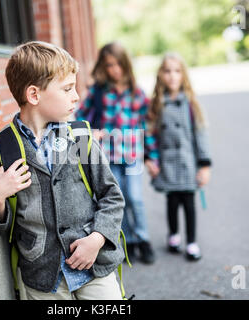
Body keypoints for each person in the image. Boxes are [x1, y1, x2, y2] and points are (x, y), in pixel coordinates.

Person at [0, 41, 126, 299]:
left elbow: (112, 196)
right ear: (34, 95)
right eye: (67, 89)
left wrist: (98, 238)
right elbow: (0, 227)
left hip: (93, 265)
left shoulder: (80, 137)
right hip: (42, 276)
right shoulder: (3, 150)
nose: (76, 96)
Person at [75, 42, 159, 264]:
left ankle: (143, 239)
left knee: (135, 198)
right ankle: (127, 239)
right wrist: (89, 132)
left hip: (133, 157)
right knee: (116, 199)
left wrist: (151, 157)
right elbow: (79, 117)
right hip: (109, 157)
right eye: (109, 65)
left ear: (126, 64)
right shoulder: (98, 91)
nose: (114, 70)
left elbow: (146, 126)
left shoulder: (137, 93)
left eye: (118, 64)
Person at [147, 52, 212, 261]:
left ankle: (192, 242)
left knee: (189, 202)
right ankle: (174, 235)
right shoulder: (157, 105)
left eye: (177, 71)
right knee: (172, 201)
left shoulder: (191, 104)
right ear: (160, 75)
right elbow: (150, 135)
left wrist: (204, 165)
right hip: (166, 163)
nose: (172, 76)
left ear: (183, 75)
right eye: (167, 71)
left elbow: (200, 134)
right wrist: (150, 159)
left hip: (187, 163)